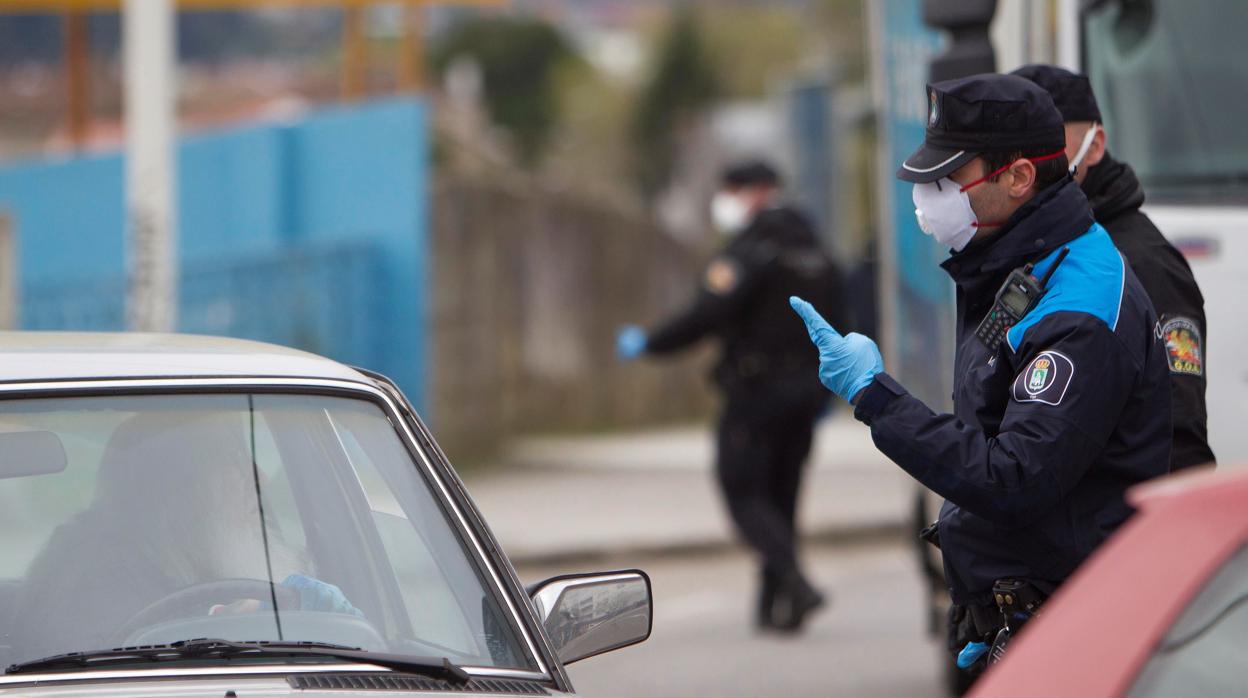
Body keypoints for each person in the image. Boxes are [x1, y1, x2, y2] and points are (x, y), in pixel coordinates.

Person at [790, 74, 1171, 674]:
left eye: (948, 181)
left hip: (1079, 626)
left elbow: (1015, 475)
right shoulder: (1018, 261)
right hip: (1025, 614)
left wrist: (877, 397)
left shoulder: (1079, 306)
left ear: (1018, 177)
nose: (928, 197)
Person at [616, 160, 842, 632]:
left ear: (757, 192)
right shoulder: (817, 250)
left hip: (756, 391)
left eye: (733, 191)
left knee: (741, 490)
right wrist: (826, 394)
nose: (728, 202)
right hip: (805, 392)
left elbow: (707, 313)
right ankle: (776, 603)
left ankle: (797, 583)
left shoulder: (752, 250)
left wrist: (651, 343)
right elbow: (844, 319)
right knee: (781, 494)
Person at [10, 410, 359, 664]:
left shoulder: (179, 555)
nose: (260, 480)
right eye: (234, 460)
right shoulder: (90, 578)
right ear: (178, 486)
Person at [1012, 63, 1216, 472]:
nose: (1026, 163)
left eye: (1046, 142)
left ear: (1095, 145)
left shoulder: (1145, 263)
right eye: (1014, 145)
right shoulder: (1034, 247)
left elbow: (1179, 441)